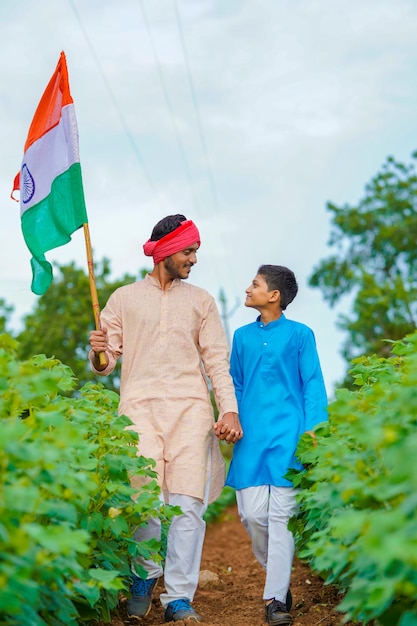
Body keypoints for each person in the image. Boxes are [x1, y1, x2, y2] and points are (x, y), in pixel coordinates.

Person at [89, 214, 242, 623]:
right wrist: (99, 347)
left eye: (195, 251)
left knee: (187, 503)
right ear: (166, 251)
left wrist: (228, 407)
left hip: (192, 409)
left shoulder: (201, 300)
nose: (193, 259)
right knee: (145, 501)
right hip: (138, 408)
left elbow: (216, 359)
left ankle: (178, 596)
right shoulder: (123, 298)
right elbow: (105, 363)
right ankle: (144, 576)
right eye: (188, 251)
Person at [226, 265, 328, 626]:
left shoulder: (301, 335)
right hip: (251, 438)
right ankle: (279, 578)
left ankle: (274, 600)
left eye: (255, 284)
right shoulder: (240, 337)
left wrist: (314, 430)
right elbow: (234, 385)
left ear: (274, 296)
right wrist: (230, 416)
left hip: (289, 437)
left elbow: (312, 383)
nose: (248, 288)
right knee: (252, 515)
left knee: (281, 519)